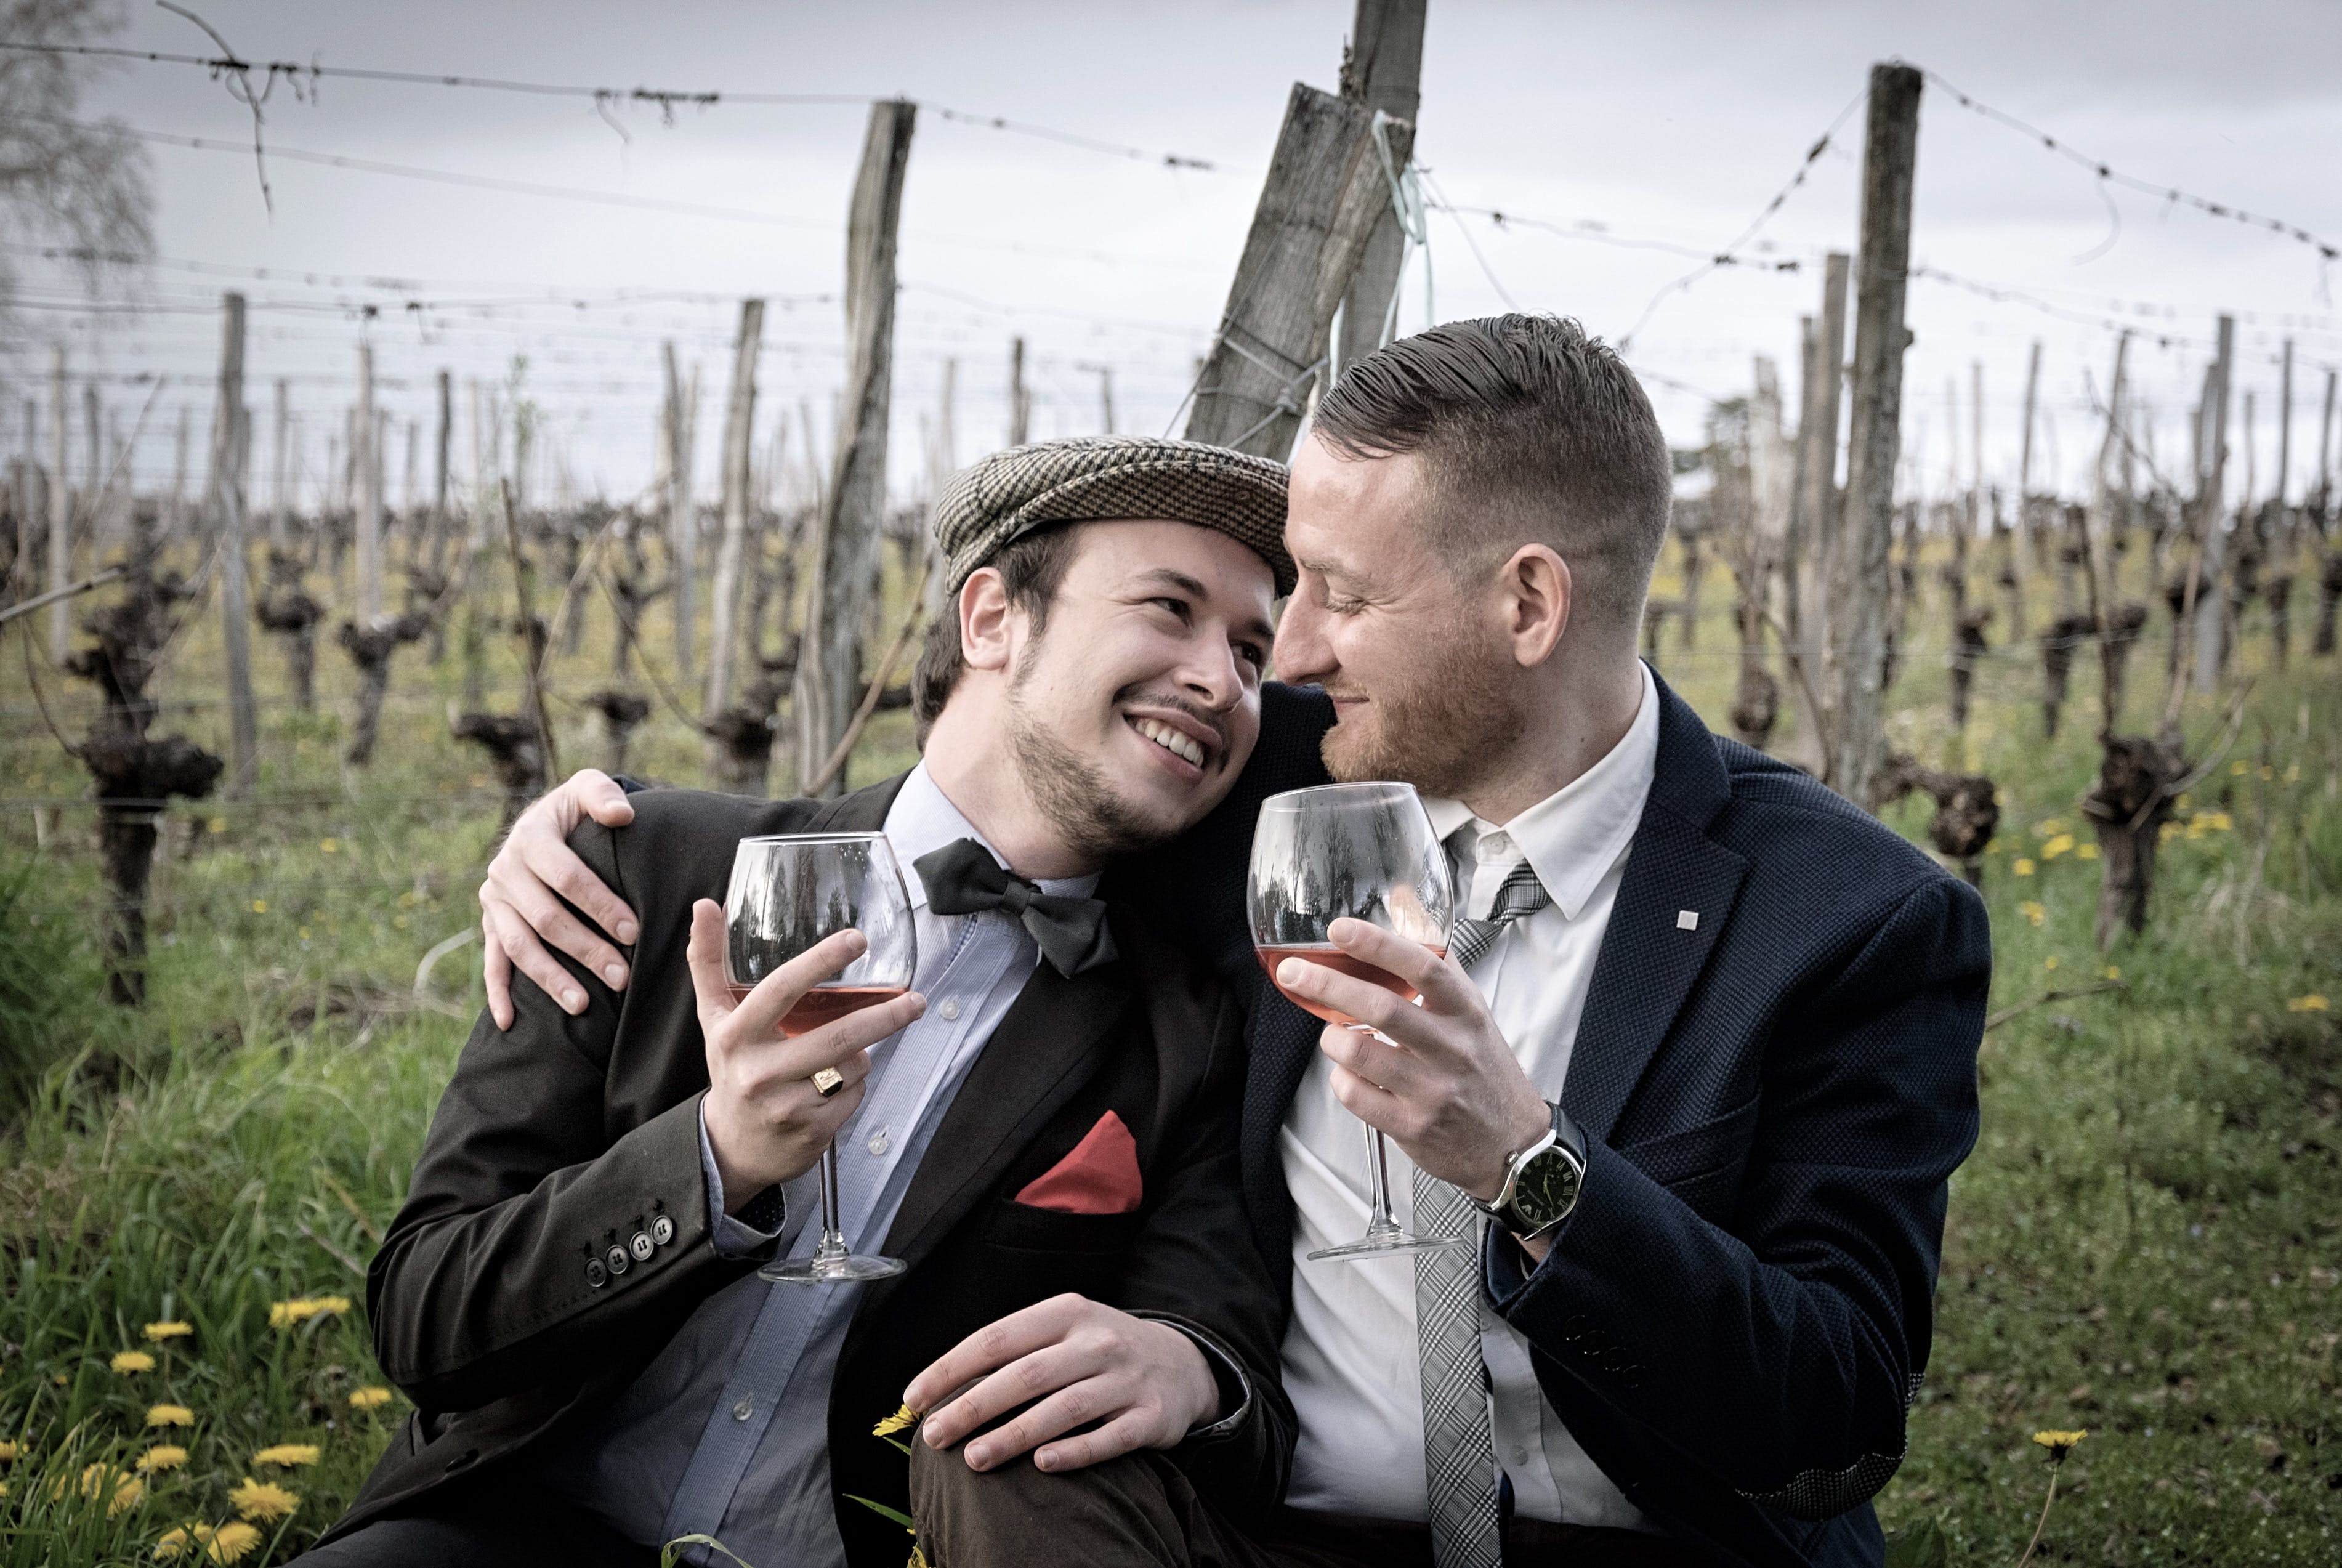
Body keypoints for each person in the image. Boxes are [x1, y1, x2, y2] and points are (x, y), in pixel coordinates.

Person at [483, 316, 1989, 1568]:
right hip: (1272, 1531)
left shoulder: (1851, 922)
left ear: (1531, 601)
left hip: (1651, 1545)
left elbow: (1832, 1420)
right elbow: (998, 785)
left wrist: (1531, 1164)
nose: (1295, 654)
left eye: (1340, 594)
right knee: (1019, 1457)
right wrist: (613, 829)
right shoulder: (1266, 784)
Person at [308, 437, 1302, 1568]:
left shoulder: (1186, 1031)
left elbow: (1235, 1393)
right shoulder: (639, 872)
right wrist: (712, 1161)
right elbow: (427, 1320)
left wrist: (1186, 1370)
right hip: (506, 1532)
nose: (1220, 679)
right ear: (990, 620)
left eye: (1252, 651)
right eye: (1169, 608)